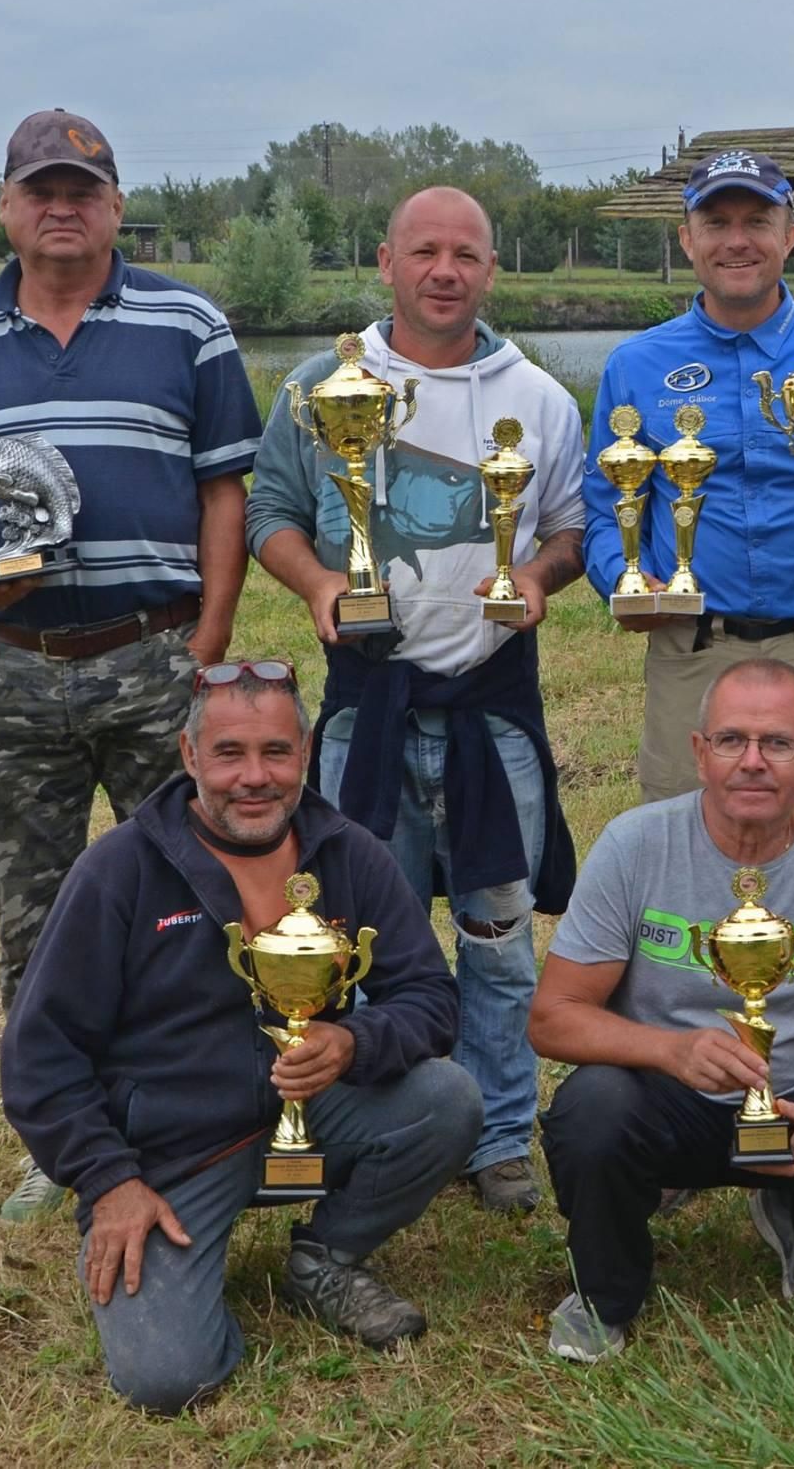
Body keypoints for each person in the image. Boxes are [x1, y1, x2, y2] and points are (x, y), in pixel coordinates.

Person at [0, 109, 262, 1223]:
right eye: (40, 189)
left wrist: (210, 641)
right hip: (12, 667)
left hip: (156, 655)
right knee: (34, 917)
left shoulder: (186, 323)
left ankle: (207, 1113)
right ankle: (62, 1141)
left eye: (83, 189)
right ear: (4, 207)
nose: (62, 206)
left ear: (113, 206)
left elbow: (223, 490)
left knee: (196, 897)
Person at [0, 662, 481, 1414]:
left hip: (313, 1117)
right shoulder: (118, 870)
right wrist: (109, 1182)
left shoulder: (349, 852)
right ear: (190, 757)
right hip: (170, 1156)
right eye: (229, 754)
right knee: (168, 1377)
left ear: (307, 753)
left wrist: (355, 1041)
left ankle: (325, 1260)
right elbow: (40, 1055)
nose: (253, 778)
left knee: (447, 1100)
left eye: (275, 753)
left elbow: (431, 998)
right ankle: (166, 1257)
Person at [247, 186, 582, 1216]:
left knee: (497, 932)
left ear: (491, 268)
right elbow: (269, 510)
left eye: (467, 254)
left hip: (490, 714)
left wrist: (536, 578)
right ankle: (382, 1120)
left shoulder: (540, 397)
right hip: (367, 709)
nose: (446, 270)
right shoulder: (320, 386)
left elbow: (566, 529)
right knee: (361, 935)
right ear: (386, 261)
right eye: (425, 251)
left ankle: (495, 1135)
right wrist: (314, 586)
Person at [528, 658, 794, 1362]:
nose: (753, 763)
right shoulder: (634, 845)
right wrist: (670, 1051)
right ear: (700, 754)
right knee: (591, 1113)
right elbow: (552, 1016)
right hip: (667, 1091)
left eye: (778, 744)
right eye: (731, 740)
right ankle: (604, 1295)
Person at [579, 148, 794, 831]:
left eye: (757, 220)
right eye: (716, 222)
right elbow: (605, 510)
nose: (737, 240)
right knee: (681, 845)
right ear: (687, 239)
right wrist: (624, 578)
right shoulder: (635, 365)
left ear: (790, 236)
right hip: (692, 647)